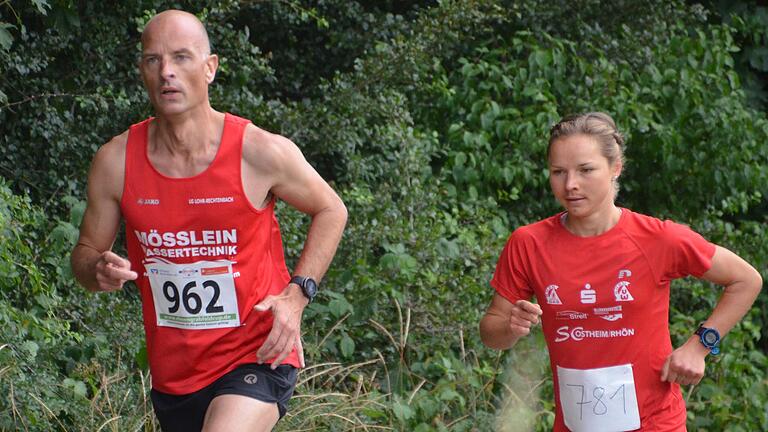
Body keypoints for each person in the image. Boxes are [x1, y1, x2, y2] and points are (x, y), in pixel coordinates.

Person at [70, 10, 347, 432]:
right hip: (175, 375)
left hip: (255, 353)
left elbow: (332, 210)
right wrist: (97, 268)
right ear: (142, 71)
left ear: (210, 68)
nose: (166, 72)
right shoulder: (116, 161)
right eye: (153, 60)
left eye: (181, 57)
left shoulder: (257, 151)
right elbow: (85, 258)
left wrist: (296, 297)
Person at [479, 112, 762, 432]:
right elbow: (492, 333)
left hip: (656, 423)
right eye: (558, 172)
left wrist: (700, 345)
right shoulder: (529, 243)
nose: (570, 184)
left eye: (586, 170)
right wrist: (511, 327)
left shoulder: (657, 238)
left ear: (615, 168)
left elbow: (746, 279)